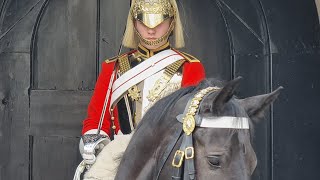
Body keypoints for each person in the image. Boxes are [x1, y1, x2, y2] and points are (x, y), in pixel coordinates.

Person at [75, 0, 206, 179]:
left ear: (171, 22)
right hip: (122, 155)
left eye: (159, 23)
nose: (151, 30)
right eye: (144, 23)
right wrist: (94, 144)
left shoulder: (189, 67)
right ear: (134, 23)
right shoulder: (114, 67)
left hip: (168, 158)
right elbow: (96, 119)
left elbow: (194, 121)